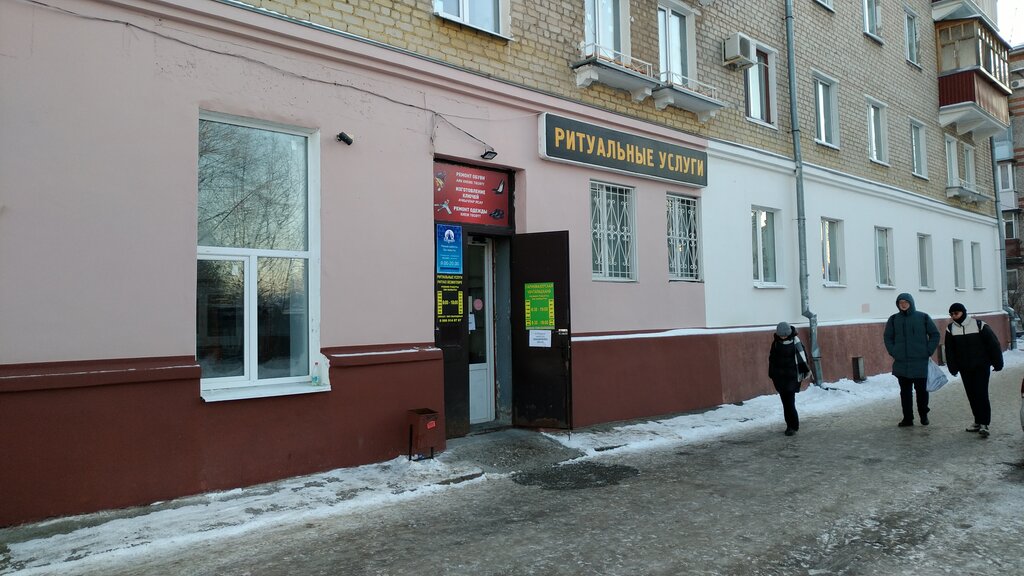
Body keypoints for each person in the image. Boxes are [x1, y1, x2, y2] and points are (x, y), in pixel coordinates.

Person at [944, 303, 1003, 438]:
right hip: (965, 368)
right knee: (971, 395)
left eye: (956, 313)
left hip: (981, 366)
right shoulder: (950, 329)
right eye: (951, 314)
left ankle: (984, 424)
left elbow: (993, 344)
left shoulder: (979, 325)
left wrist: (997, 362)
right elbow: (949, 350)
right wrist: (952, 367)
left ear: (963, 312)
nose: (954, 316)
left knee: (981, 393)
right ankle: (977, 421)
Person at [883, 293, 940, 427]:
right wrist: (893, 351)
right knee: (905, 393)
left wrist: (928, 350)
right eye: (900, 302)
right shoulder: (893, 319)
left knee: (922, 391)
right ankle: (908, 418)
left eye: (905, 302)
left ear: (911, 303)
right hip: (901, 363)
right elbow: (888, 337)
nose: (903, 305)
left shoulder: (923, 317)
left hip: (920, 362)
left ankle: (923, 414)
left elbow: (935, 334)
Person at [768, 321, 809, 436]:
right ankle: (789, 425)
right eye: (781, 335)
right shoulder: (775, 343)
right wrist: (772, 373)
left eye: (784, 335)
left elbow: (803, 357)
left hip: (792, 377)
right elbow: (772, 359)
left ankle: (793, 426)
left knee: (790, 403)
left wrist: (801, 372)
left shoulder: (796, 342)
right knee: (785, 403)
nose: (783, 337)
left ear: (788, 333)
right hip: (780, 378)